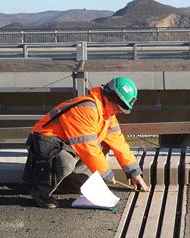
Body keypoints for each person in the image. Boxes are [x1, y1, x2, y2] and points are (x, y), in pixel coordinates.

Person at [23, 77, 149, 208]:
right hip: (45, 143)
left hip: (67, 147)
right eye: (119, 106)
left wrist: (134, 173)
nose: (120, 111)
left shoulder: (107, 115)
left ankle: (63, 183)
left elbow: (119, 144)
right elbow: (88, 149)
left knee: (102, 149)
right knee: (64, 161)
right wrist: (106, 174)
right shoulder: (86, 109)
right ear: (108, 97)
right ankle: (40, 191)